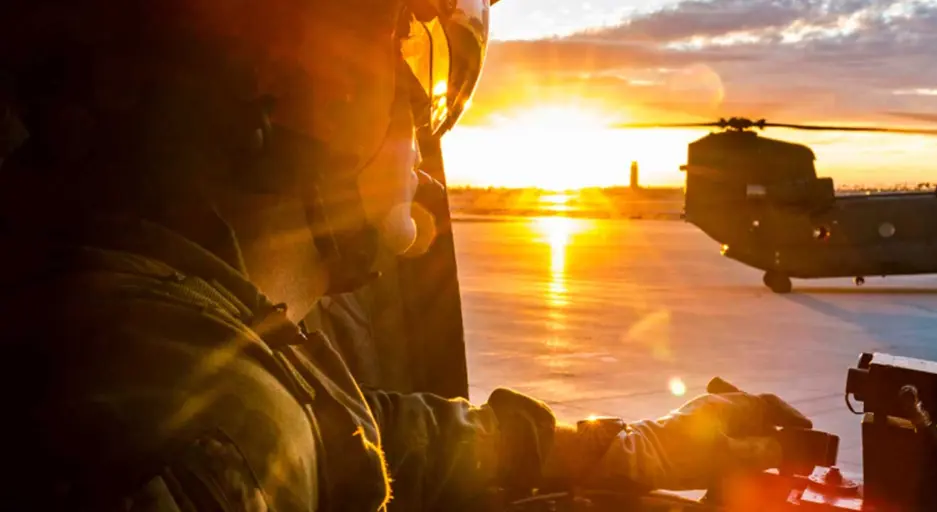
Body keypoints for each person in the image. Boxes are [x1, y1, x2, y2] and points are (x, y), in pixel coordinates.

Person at [0, 0, 812, 510]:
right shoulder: (198, 434)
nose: (422, 135)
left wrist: (627, 453)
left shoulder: (177, 337)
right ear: (281, 94)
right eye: (404, 56)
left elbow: (361, 442)